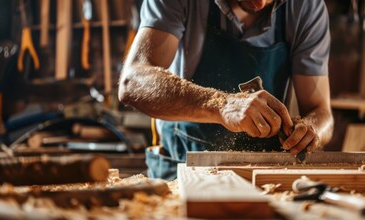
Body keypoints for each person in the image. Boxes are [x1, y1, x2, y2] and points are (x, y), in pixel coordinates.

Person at [119, 0, 334, 180]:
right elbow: (133, 81)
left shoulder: (306, 7)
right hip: (181, 168)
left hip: (265, 178)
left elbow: (321, 112)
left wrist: (310, 130)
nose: (259, 3)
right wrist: (222, 105)